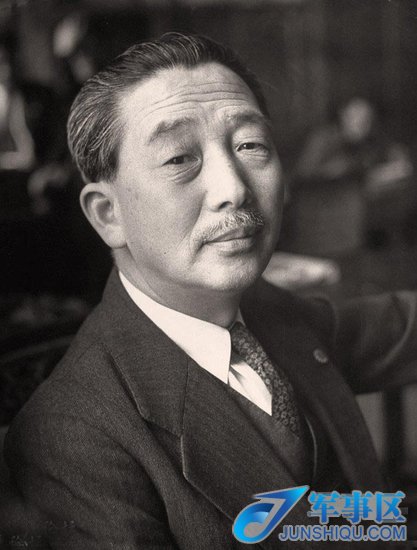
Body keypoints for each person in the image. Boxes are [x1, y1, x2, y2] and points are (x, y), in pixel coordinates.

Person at [4, 33, 417, 549]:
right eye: (179, 158)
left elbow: (398, 329)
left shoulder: (268, 310)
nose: (235, 189)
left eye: (250, 146)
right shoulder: (71, 442)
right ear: (109, 215)